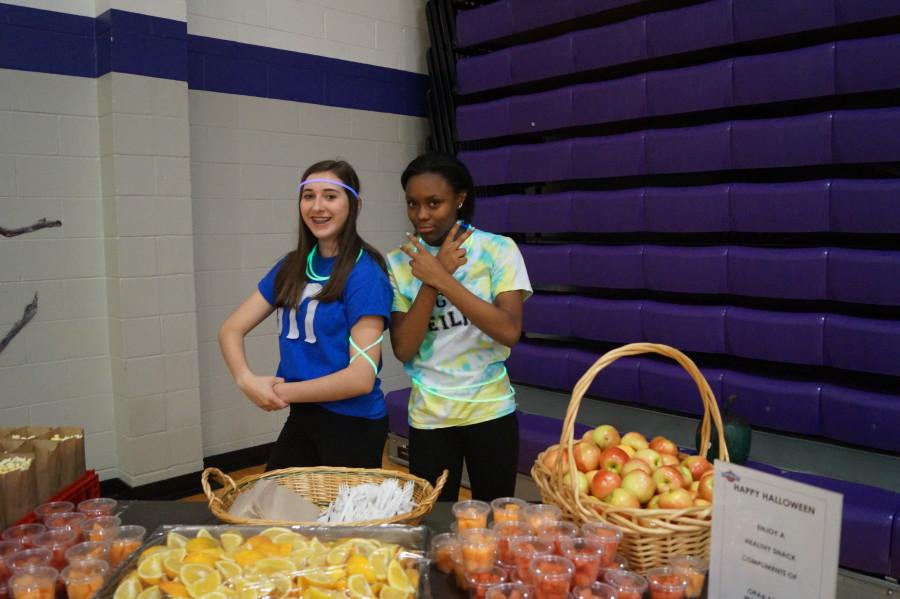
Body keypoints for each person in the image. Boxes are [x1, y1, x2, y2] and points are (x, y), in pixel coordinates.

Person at [219, 159, 392, 471]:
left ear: (354, 205)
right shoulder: (292, 266)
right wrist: (245, 379)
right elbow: (230, 329)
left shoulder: (366, 274)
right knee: (276, 511)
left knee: (340, 520)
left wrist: (278, 391)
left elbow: (361, 378)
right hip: (303, 415)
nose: (317, 206)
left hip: (353, 425)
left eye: (330, 195)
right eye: (308, 196)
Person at [386, 153, 533, 500]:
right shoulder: (398, 262)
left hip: (491, 410)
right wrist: (429, 282)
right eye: (413, 203)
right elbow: (404, 348)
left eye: (434, 203)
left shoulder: (497, 250)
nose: (421, 215)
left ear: (460, 198)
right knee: (434, 524)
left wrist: (442, 277)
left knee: (494, 520)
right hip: (430, 417)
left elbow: (509, 330)